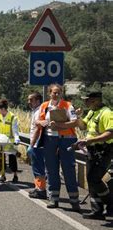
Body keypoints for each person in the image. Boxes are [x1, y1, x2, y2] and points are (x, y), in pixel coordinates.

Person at [37, 83, 80, 211]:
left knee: (68, 170)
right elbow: (38, 120)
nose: (56, 94)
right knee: (51, 170)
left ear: (61, 93)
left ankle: (74, 201)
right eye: (53, 92)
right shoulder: (45, 106)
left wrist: (59, 126)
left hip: (66, 140)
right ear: (49, 93)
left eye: (58, 92)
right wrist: (42, 122)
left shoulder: (68, 105)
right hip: (50, 139)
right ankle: (53, 198)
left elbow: (75, 122)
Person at [74, 91, 113, 220]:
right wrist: (78, 116)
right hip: (92, 151)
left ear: (95, 100)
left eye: (87, 100)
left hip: (103, 150)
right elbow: (83, 126)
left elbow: (110, 133)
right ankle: (97, 210)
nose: (85, 102)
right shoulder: (92, 112)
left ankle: (110, 204)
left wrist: (90, 141)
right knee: (91, 180)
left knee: (94, 178)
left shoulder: (106, 113)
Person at [0, 98, 21, 183]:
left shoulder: (12, 117)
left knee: (12, 159)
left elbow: (15, 130)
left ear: (3, 109)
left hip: (9, 142)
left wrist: (17, 139)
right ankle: (2, 175)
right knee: (1, 159)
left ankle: (15, 175)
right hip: (0, 141)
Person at [26, 92, 47, 199]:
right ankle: (38, 188)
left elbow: (38, 129)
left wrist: (32, 144)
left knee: (38, 168)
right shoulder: (36, 111)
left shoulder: (39, 111)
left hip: (37, 144)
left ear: (38, 100)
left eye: (31, 100)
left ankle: (41, 190)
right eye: (29, 100)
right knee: (38, 168)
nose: (29, 102)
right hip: (37, 144)